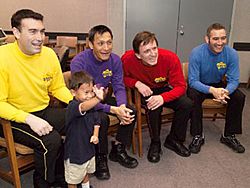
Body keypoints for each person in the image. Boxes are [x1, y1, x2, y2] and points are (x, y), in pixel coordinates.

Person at [0, 9, 73, 188]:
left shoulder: (48, 54)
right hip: (11, 116)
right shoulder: (2, 57)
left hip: (41, 110)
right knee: (51, 140)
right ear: (16, 33)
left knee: (78, 118)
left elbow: (57, 88)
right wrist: (29, 119)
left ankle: (61, 175)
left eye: (42, 31)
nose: (40, 37)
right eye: (33, 31)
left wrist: (77, 103)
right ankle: (43, 182)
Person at [70, 25, 138, 180]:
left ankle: (118, 148)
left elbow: (119, 86)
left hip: (103, 97)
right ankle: (101, 157)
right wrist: (113, 110)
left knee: (130, 110)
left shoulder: (115, 60)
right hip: (86, 102)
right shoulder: (79, 62)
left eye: (109, 42)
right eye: (101, 43)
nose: (106, 48)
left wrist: (121, 107)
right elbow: (82, 98)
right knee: (101, 118)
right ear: (90, 44)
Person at [121, 31, 192, 163]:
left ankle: (174, 139)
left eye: (154, 48)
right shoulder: (127, 59)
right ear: (137, 54)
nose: (153, 54)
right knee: (153, 106)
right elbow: (120, 78)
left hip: (161, 88)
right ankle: (155, 142)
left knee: (186, 104)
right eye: (147, 51)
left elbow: (181, 86)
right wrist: (136, 83)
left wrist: (162, 98)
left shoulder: (170, 58)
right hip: (142, 90)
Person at [187, 23, 245, 154]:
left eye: (223, 38)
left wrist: (226, 91)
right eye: (215, 39)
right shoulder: (196, 53)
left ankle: (229, 135)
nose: (220, 42)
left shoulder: (232, 54)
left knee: (239, 96)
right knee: (192, 95)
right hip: (200, 85)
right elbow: (193, 81)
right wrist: (212, 90)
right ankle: (197, 135)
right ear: (207, 39)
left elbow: (234, 79)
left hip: (219, 85)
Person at [64, 71, 104, 188]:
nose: (90, 95)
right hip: (75, 152)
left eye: (92, 91)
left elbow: (97, 122)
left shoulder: (91, 107)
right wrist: (97, 98)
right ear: (73, 92)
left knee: (85, 173)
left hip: (88, 149)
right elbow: (83, 107)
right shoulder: (73, 106)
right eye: (86, 92)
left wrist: (95, 135)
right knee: (73, 180)